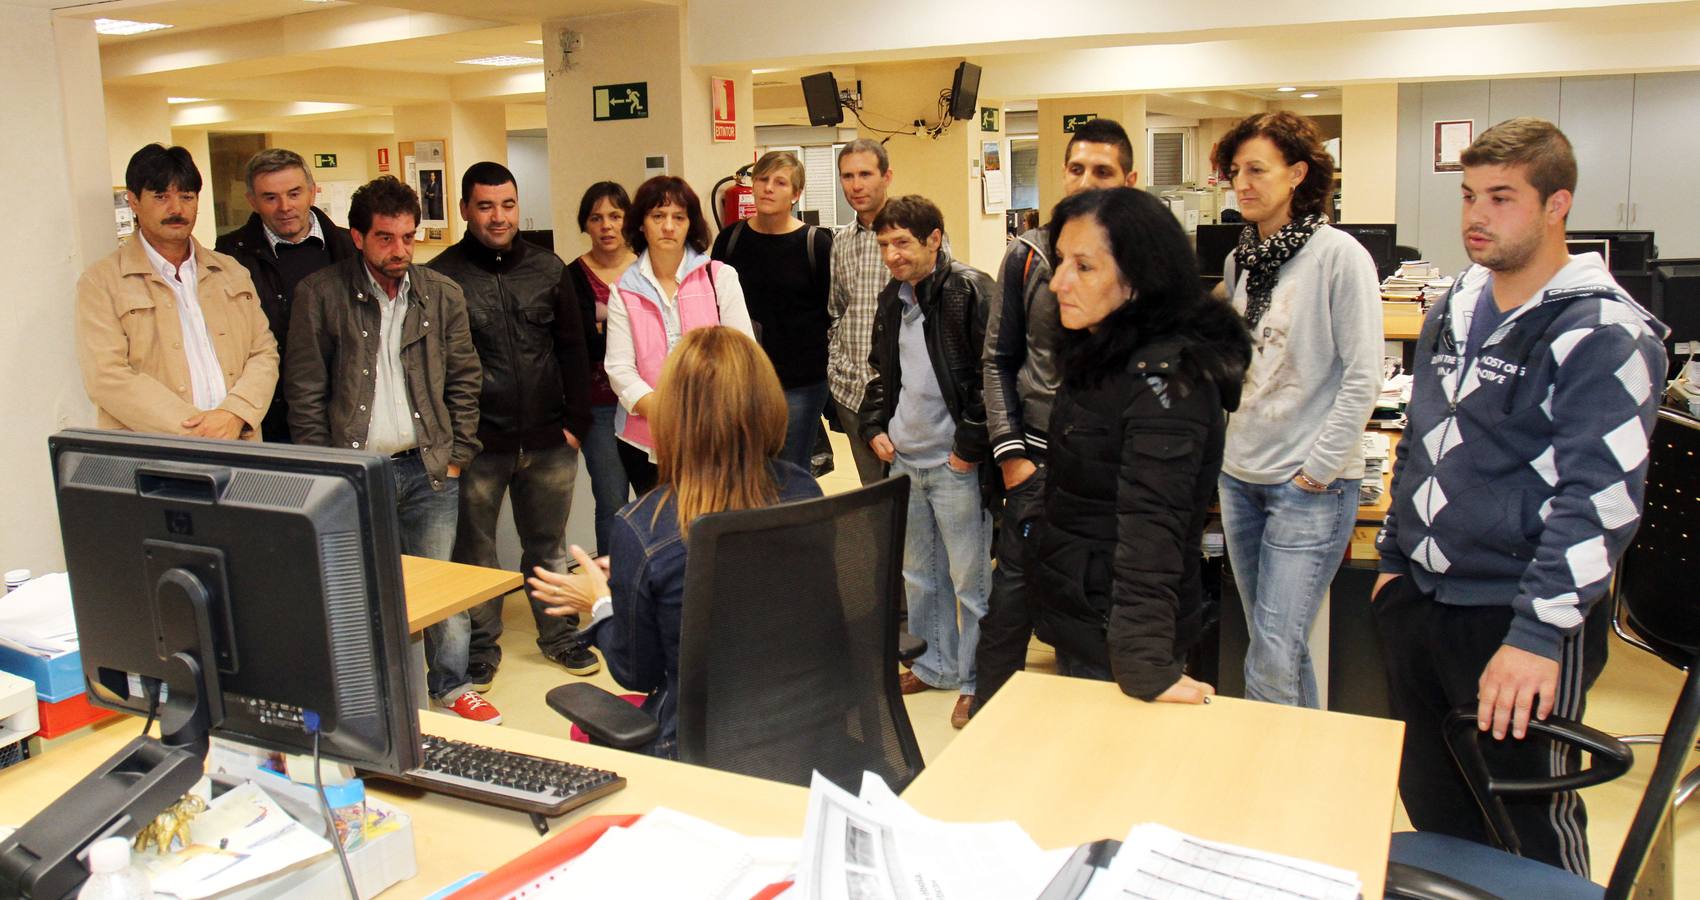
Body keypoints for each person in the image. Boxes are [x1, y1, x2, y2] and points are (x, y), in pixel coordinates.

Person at [1374, 118, 1667, 875]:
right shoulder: (1457, 305)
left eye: (1502, 198)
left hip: (1515, 614)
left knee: (1528, 824)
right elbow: (1423, 437)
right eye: (1469, 195)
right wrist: (1392, 559)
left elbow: (1597, 501)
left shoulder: (1603, 331)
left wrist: (1537, 636)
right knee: (1438, 809)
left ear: (1556, 205)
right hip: (1422, 599)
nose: (1476, 215)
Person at [528, 326, 822, 758]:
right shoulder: (802, 490)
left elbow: (636, 673)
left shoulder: (643, 527)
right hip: (808, 728)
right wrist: (634, 580)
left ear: (673, 415)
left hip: (696, 746)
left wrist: (601, 602)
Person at [286, 176, 491, 723]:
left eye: (408, 237)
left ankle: (452, 685)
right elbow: (305, 393)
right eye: (385, 238)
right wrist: (324, 473)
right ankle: (371, 690)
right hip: (355, 472)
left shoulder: (441, 292)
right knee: (356, 587)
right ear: (357, 237)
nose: (399, 250)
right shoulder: (321, 294)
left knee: (440, 581)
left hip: (427, 467)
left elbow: (465, 377)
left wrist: (457, 454)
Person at [1035, 186, 1250, 702]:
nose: (1059, 281)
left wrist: (1145, 665)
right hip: (1085, 613)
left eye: (1084, 267)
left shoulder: (1165, 382)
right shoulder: (1100, 352)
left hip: (1122, 637)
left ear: (1138, 281)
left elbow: (1153, 528)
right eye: (1061, 259)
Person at [1210, 111, 1383, 708]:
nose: (1243, 184)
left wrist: (1320, 468)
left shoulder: (1339, 256)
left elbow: (1364, 374)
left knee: (1273, 655)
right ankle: (1310, 775)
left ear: (1298, 174)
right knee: (1274, 643)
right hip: (1241, 477)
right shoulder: (1242, 261)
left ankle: (1269, 790)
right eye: (1235, 173)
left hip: (1306, 485)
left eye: (1257, 170)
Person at [973, 117, 1140, 715]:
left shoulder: (1147, 260)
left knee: (1099, 610)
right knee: (1012, 598)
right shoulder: (1030, 255)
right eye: (1076, 168)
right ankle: (989, 712)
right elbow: (996, 361)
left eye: (1103, 171)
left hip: (1112, 472)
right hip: (1038, 464)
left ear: (1129, 180)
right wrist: (1011, 456)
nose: (1086, 181)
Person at [427, 161, 599, 689]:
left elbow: (574, 350)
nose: (498, 217)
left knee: (548, 545)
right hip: (479, 445)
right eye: (485, 206)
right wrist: (456, 443)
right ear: (464, 210)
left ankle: (560, 635)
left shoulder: (548, 270)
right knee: (475, 553)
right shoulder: (442, 276)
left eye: (507, 205)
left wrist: (576, 423)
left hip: (550, 440)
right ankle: (481, 648)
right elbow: (436, 366)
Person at [857, 195, 994, 730]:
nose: (892, 255)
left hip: (953, 463)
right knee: (918, 575)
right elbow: (881, 375)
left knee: (969, 581)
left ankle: (977, 680)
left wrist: (968, 450)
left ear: (934, 239)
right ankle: (934, 665)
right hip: (905, 462)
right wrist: (873, 428)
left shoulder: (967, 290)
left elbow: (992, 377)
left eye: (902, 244)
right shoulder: (893, 299)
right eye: (884, 244)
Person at [76, 144, 278, 441]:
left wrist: (235, 414)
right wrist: (198, 429)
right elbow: (107, 377)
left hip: (239, 444)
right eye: (161, 197)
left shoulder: (230, 271)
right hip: (157, 455)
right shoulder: (103, 281)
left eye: (187, 197)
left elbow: (263, 352)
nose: (177, 209)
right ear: (133, 200)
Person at [604, 176, 754, 494]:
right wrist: (669, 413)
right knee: (662, 535)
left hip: (715, 438)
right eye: (658, 216)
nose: (668, 226)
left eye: (678, 217)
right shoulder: (623, 290)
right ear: (641, 224)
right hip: (644, 443)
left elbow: (744, 357)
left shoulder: (719, 278)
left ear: (690, 225)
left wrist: (703, 417)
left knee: (708, 533)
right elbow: (620, 370)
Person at [216, 148, 357, 443]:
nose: (285, 206)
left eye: (294, 193)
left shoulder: (352, 249)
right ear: (252, 202)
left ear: (312, 192)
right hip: (270, 418)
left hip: (347, 413)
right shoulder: (228, 258)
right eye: (270, 197)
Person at [710, 151, 834, 472]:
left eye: (780, 182)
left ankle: (794, 524)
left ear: (795, 194)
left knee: (789, 472)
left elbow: (830, 314)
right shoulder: (731, 240)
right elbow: (713, 307)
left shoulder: (815, 244)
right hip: (742, 380)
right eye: (762, 179)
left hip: (799, 383)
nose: (768, 188)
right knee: (745, 472)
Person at [567, 181, 637, 551]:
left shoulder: (647, 269)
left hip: (649, 404)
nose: (606, 226)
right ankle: (613, 594)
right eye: (596, 218)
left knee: (658, 501)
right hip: (600, 406)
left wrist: (604, 317)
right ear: (585, 224)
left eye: (615, 216)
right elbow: (586, 345)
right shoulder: (572, 276)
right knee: (612, 503)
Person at [828, 139, 898, 486]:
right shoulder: (840, 242)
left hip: (904, 394)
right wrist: (836, 364)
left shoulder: (911, 232)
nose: (856, 185)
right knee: (876, 500)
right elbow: (837, 310)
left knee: (915, 501)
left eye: (865, 174)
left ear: (886, 176)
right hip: (852, 390)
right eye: (847, 176)